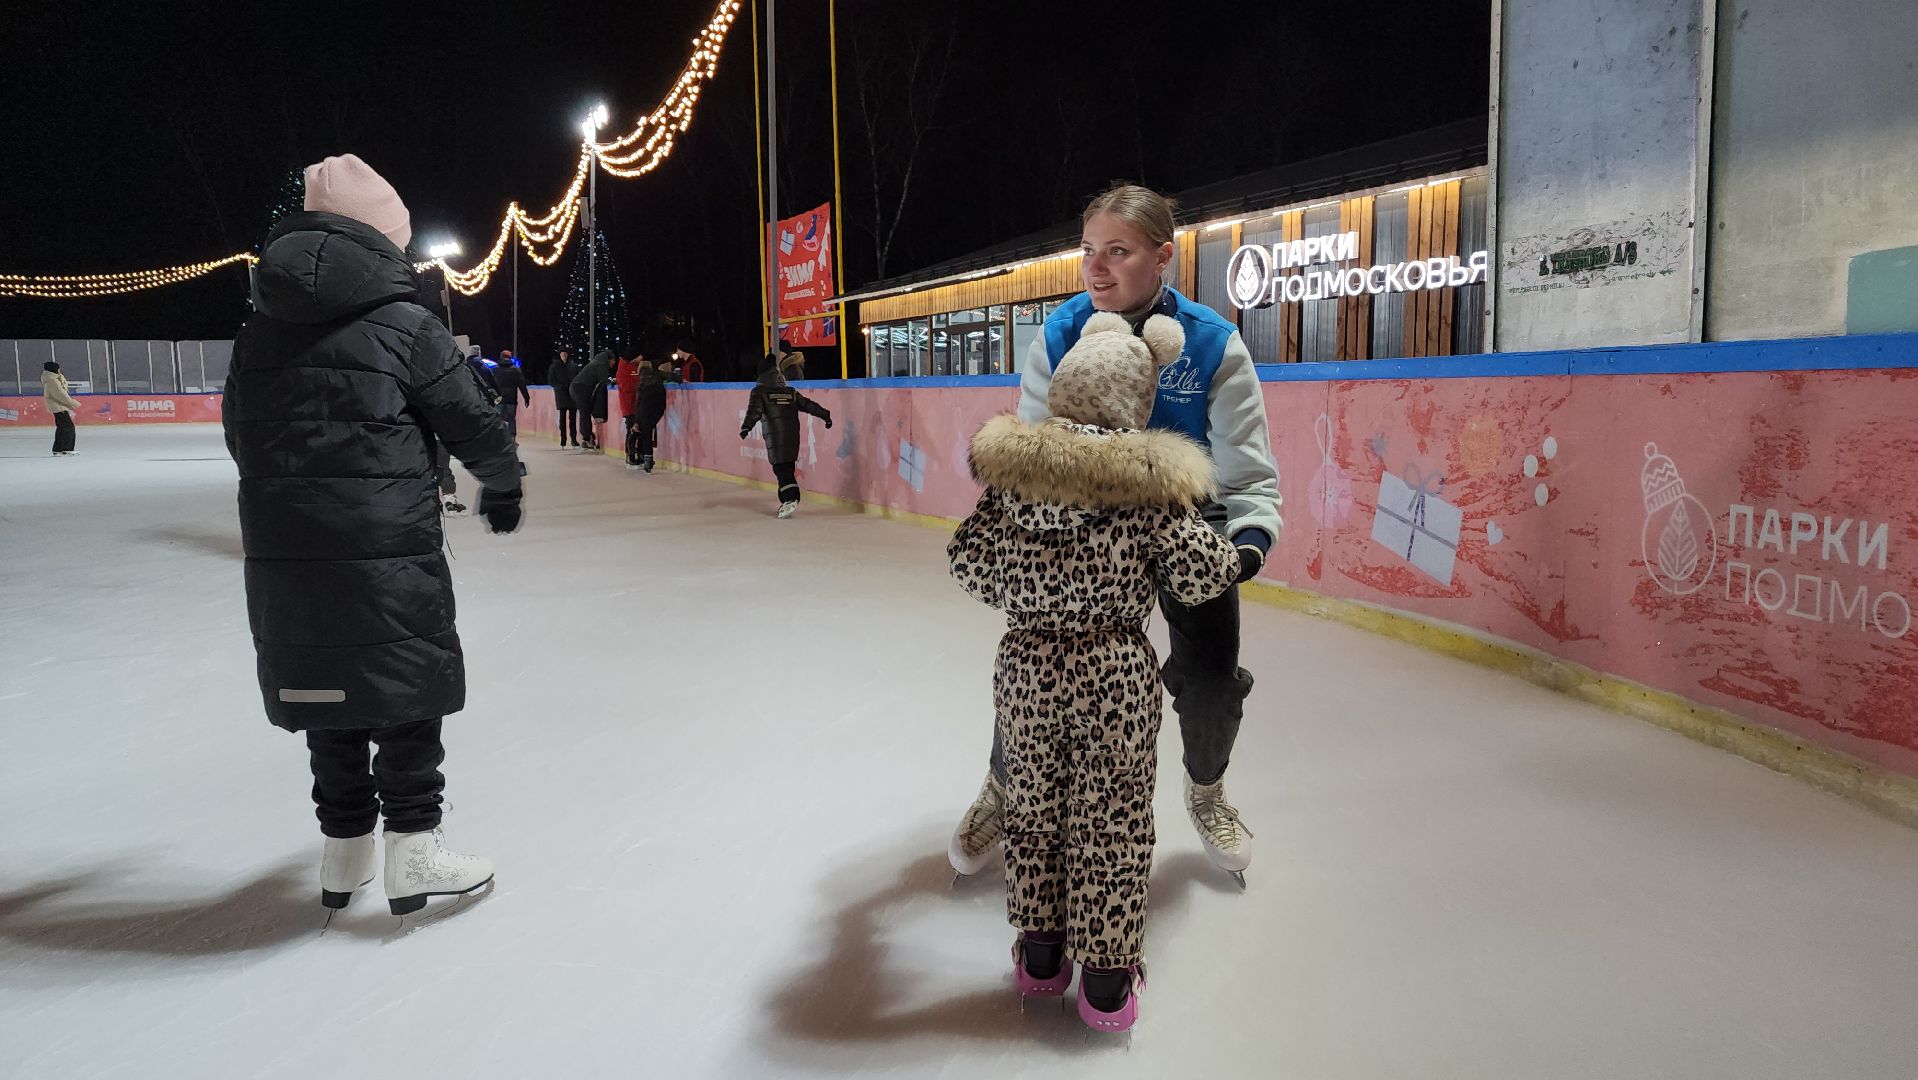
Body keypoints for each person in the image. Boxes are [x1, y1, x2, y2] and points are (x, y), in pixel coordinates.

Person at [949, 183, 1282, 885]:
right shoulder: (1061, 332)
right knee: (1038, 659)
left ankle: (1207, 787)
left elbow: (1247, 474)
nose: (1096, 269)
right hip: (1083, 526)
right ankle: (1002, 788)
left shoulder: (1213, 343)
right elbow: (1038, 453)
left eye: (1118, 252)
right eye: (1088, 251)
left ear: (1163, 256)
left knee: (1212, 676)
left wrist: (1247, 542)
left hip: (1184, 522)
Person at [223, 153, 525, 917]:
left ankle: (345, 850)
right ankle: (413, 851)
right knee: (401, 685)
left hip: (286, 548)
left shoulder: (258, 334)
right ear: (383, 241)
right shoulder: (405, 328)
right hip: (386, 541)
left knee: (329, 686)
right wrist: (504, 482)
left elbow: (241, 436)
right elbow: (472, 420)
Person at [949, 310, 1238, 1032]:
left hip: (1025, 667)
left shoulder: (1015, 479)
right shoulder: (1147, 485)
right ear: (1138, 399)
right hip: (1114, 672)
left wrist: (1027, 591)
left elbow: (968, 563)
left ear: (1067, 389)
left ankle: (1041, 956)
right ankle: (1107, 983)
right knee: (1112, 821)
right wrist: (1234, 548)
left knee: (1036, 809)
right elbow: (1204, 575)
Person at [739, 350, 830, 518]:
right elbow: (808, 405)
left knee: (781, 469)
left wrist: (746, 427)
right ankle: (786, 498)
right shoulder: (790, 392)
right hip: (792, 437)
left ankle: (791, 498)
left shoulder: (759, 392)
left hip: (775, 436)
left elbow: (754, 412)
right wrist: (825, 415)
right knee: (787, 467)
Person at [570, 349, 615, 452]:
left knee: (585, 412)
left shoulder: (597, 362)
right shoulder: (602, 364)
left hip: (577, 387)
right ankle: (586, 438)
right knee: (584, 412)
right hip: (579, 388)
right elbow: (603, 380)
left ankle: (588, 436)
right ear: (609, 359)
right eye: (613, 360)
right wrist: (612, 381)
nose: (614, 362)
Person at [630, 359, 669, 472]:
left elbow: (639, 403)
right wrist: (681, 379)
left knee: (645, 433)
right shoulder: (657, 376)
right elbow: (670, 375)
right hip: (659, 409)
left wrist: (636, 421)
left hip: (646, 410)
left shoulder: (642, 384)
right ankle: (647, 458)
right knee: (647, 430)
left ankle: (647, 460)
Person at [41, 360, 81, 456]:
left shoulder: (51, 379)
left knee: (63, 428)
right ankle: (67, 448)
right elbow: (61, 394)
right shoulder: (52, 381)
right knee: (68, 427)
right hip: (59, 407)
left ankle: (59, 449)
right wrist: (72, 403)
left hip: (58, 406)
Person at [493, 350, 531, 436]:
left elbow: (490, 384)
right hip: (511, 399)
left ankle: (498, 437)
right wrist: (526, 397)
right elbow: (522, 385)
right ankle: (512, 438)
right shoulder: (516, 370)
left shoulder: (494, 369)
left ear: (501, 357)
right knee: (511, 419)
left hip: (498, 399)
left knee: (497, 419)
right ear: (510, 358)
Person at [549, 348, 580, 448]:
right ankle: (563, 440)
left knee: (573, 419)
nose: (564, 355)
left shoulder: (573, 366)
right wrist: (559, 387)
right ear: (560, 354)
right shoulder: (554, 367)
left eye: (565, 353)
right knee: (562, 419)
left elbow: (578, 378)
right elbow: (551, 381)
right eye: (562, 353)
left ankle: (574, 439)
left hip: (572, 395)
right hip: (561, 395)